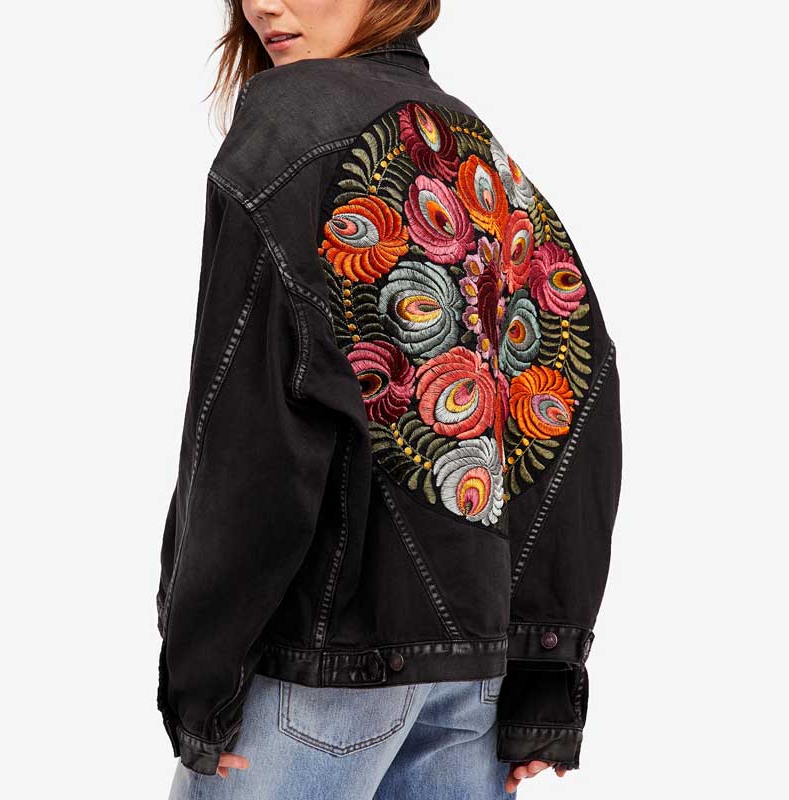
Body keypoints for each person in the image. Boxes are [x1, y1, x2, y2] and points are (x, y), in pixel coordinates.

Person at [155, 1, 623, 797]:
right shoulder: (474, 147)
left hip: (316, 674)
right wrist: (545, 660)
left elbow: (250, 433)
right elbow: (573, 390)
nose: (262, 4)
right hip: (469, 688)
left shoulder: (289, 123)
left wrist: (203, 671)